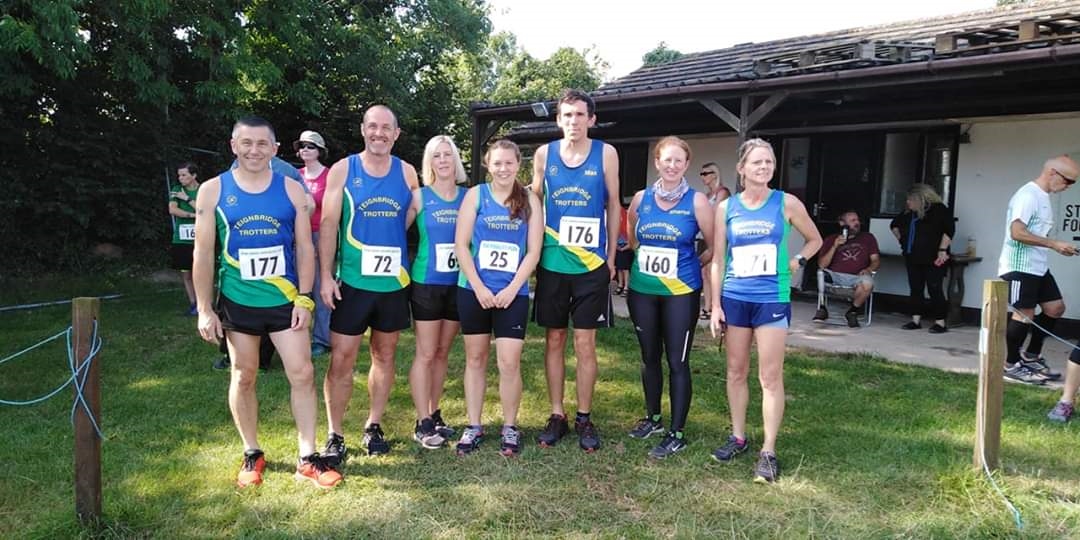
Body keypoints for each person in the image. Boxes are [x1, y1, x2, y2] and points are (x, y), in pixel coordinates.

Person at [192, 116, 340, 489]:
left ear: (275, 150)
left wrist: (305, 298)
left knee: (303, 373)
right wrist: (205, 309)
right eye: (247, 143)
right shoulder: (212, 191)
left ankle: (307, 457)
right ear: (233, 146)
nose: (254, 150)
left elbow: (305, 248)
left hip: (285, 301)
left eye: (262, 144)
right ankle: (252, 452)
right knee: (244, 375)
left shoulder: (292, 191)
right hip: (238, 302)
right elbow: (203, 252)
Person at [709, 138, 822, 483]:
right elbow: (717, 260)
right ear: (742, 168)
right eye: (757, 162)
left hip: (771, 298)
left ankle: (768, 451)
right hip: (736, 297)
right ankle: (739, 436)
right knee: (736, 371)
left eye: (769, 162)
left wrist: (797, 260)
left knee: (770, 376)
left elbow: (815, 239)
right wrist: (714, 305)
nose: (764, 168)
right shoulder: (726, 208)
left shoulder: (786, 203)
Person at [319, 105, 420, 468]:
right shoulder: (344, 169)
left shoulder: (407, 171)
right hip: (353, 283)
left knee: (385, 355)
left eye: (386, 128)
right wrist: (326, 276)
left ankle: (373, 424)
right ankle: (335, 433)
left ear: (396, 134)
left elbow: (413, 213)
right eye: (373, 126)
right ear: (363, 130)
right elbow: (329, 223)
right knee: (342, 358)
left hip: (392, 282)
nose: (379, 133)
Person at [530, 89, 621, 452]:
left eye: (580, 115)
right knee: (554, 339)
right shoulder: (543, 154)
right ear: (558, 120)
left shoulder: (606, 154)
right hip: (553, 263)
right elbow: (535, 201)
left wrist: (612, 255)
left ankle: (584, 416)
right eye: (567, 115)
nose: (574, 122)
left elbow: (614, 204)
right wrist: (533, 251)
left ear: (591, 119)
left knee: (586, 343)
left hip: (590, 266)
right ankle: (557, 414)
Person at [453, 140, 543, 456]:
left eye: (509, 163)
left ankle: (509, 427)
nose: (503, 169)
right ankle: (474, 425)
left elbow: (534, 251)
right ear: (487, 165)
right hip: (474, 290)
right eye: (497, 163)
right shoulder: (476, 196)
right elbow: (461, 245)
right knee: (475, 359)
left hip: (512, 293)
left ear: (519, 165)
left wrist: (511, 288)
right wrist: (478, 286)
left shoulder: (530, 199)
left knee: (509, 362)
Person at [625, 136, 713, 459]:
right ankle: (653, 419)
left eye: (679, 161)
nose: (672, 165)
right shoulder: (641, 198)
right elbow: (632, 235)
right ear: (657, 162)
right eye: (667, 160)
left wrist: (693, 266)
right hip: (643, 290)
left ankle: (677, 432)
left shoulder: (697, 201)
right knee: (649, 357)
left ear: (686, 165)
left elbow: (713, 245)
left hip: (680, 293)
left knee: (677, 361)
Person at [995, 156, 1080, 387]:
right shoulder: (1028, 195)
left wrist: (1057, 247)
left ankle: (1030, 357)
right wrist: (1054, 244)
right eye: (1068, 181)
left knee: (1055, 308)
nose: (1068, 186)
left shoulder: (1043, 197)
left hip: (1038, 266)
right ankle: (1010, 365)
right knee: (1024, 313)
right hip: (1019, 266)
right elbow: (1017, 232)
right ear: (1053, 172)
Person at [408, 135, 468, 448]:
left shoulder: (468, 197)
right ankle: (422, 421)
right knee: (426, 353)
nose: (443, 161)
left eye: (448, 155)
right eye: (436, 156)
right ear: (429, 163)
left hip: (458, 284)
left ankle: (434, 411)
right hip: (427, 283)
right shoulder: (419, 197)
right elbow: (394, 233)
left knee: (443, 352)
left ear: (455, 160)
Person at [889, 184, 954, 334]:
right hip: (913, 256)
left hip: (934, 256)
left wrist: (942, 250)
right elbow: (894, 225)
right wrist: (903, 241)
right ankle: (915, 320)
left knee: (934, 288)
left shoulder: (939, 210)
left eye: (910, 200)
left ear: (920, 198)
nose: (908, 203)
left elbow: (948, 231)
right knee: (915, 288)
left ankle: (940, 322)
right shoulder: (909, 213)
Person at [295, 130, 332, 358]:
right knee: (297, 288)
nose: (305, 150)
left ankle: (322, 338)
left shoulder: (329, 176)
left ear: (319, 150)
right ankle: (295, 337)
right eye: (302, 145)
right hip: (296, 236)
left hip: (319, 236)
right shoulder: (294, 175)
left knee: (320, 288)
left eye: (310, 146)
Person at [811, 210, 880, 327]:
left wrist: (868, 269)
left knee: (868, 283)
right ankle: (822, 308)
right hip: (834, 275)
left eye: (857, 220)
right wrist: (835, 246)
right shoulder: (831, 239)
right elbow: (822, 265)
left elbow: (876, 260)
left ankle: (853, 311)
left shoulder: (868, 238)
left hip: (857, 277)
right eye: (853, 221)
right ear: (842, 223)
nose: (857, 223)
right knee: (820, 273)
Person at [168, 162, 200, 316]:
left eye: (184, 175)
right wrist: (193, 216)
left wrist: (186, 198)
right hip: (182, 239)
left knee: (202, 271)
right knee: (186, 274)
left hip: (201, 239)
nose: (180, 178)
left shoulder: (203, 190)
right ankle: (193, 304)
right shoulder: (176, 189)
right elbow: (172, 210)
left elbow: (204, 209)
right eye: (179, 175)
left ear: (193, 176)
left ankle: (206, 303)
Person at [698, 162, 729, 320]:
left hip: (720, 236)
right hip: (707, 236)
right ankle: (707, 306)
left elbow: (716, 213)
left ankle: (716, 305)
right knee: (705, 272)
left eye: (706, 173)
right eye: (701, 174)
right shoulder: (707, 195)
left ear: (714, 174)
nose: (703, 176)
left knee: (713, 270)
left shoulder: (722, 192)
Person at [613, 204, 631, 296]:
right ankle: (620, 285)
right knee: (619, 268)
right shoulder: (616, 226)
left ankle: (626, 287)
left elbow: (632, 240)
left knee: (625, 269)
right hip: (618, 246)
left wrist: (626, 246)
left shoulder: (628, 224)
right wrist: (615, 245)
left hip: (626, 247)